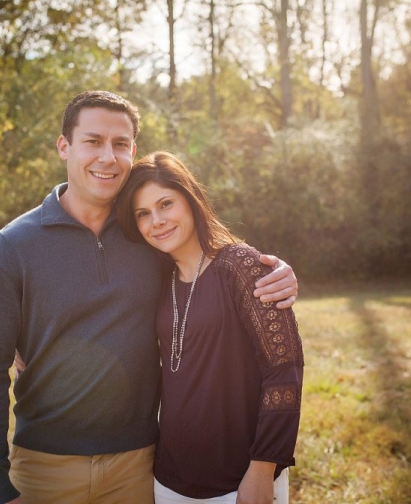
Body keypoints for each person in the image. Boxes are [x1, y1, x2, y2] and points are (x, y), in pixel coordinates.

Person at [0, 91, 299, 504]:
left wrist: (276, 272)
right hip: (44, 466)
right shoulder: (13, 246)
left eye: (120, 144)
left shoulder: (146, 238)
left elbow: (208, 262)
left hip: (139, 465)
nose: (107, 157)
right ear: (64, 146)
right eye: (93, 141)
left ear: (133, 152)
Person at [116, 151, 304, 504]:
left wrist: (263, 469)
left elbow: (285, 371)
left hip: (240, 479)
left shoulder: (240, 266)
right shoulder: (159, 277)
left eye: (166, 204)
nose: (157, 221)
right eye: (143, 213)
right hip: (170, 479)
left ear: (190, 199)